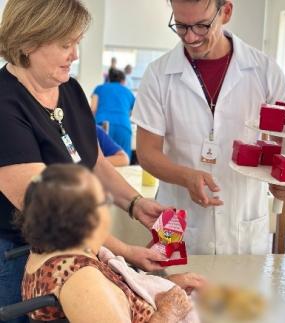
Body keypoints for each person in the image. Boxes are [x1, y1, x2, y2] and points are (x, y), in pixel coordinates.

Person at [0, 1, 166, 320]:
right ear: (28, 42)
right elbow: (54, 212)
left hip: (75, 251)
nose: (75, 54)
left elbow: (94, 160)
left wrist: (133, 203)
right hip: (20, 261)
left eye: (77, 42)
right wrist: (126, 251)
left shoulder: (70, 89)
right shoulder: (5, 108)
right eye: (66, 44)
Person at [132, 0, 285, 256]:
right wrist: (185, 177)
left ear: (226, 12)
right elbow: (147, 152)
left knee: (240, 293)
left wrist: (283, 178)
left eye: (201, 26)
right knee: (167, 290)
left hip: (242, 217)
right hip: (174, 214)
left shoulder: (265, 71)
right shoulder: (158, 74)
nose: (191, 37)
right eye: (181, 26)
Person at [18, 164, 204, 323]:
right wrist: (168, 311)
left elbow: (116, 299)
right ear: (86, 219)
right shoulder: (81, 279)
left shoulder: (51, 251)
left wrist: (164, 285)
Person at [91, 68, 135, 158]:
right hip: (123, 126)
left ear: (109, 79)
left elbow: (93, 109)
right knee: (123, 159)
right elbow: (133, 113)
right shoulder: (128, 92)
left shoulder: (100, 88)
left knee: (100, 161)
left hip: (102, 125)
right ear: (123, 81)